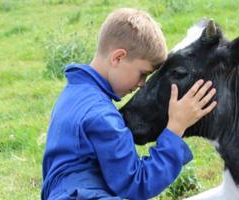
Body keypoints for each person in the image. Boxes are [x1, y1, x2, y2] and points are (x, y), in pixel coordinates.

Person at [41, 8, 217, 200]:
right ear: (118, 57)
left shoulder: (71, 94)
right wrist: (175, 129)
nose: (142, 84)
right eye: (142, 73)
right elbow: (137, 183)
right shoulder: (101, 115)